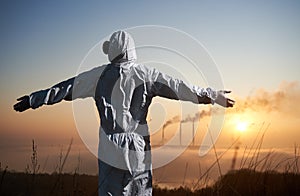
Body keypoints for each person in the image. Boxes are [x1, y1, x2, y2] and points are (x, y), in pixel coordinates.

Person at [13, 30, 234, 195]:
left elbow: (66, 88)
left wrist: (34, 100)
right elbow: (180, 88)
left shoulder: (98, 75)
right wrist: (211, 95)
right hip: (138, 146)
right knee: (139, 191)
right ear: (131, 50)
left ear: (114, 51)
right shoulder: (146, 74)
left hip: (109, 144)